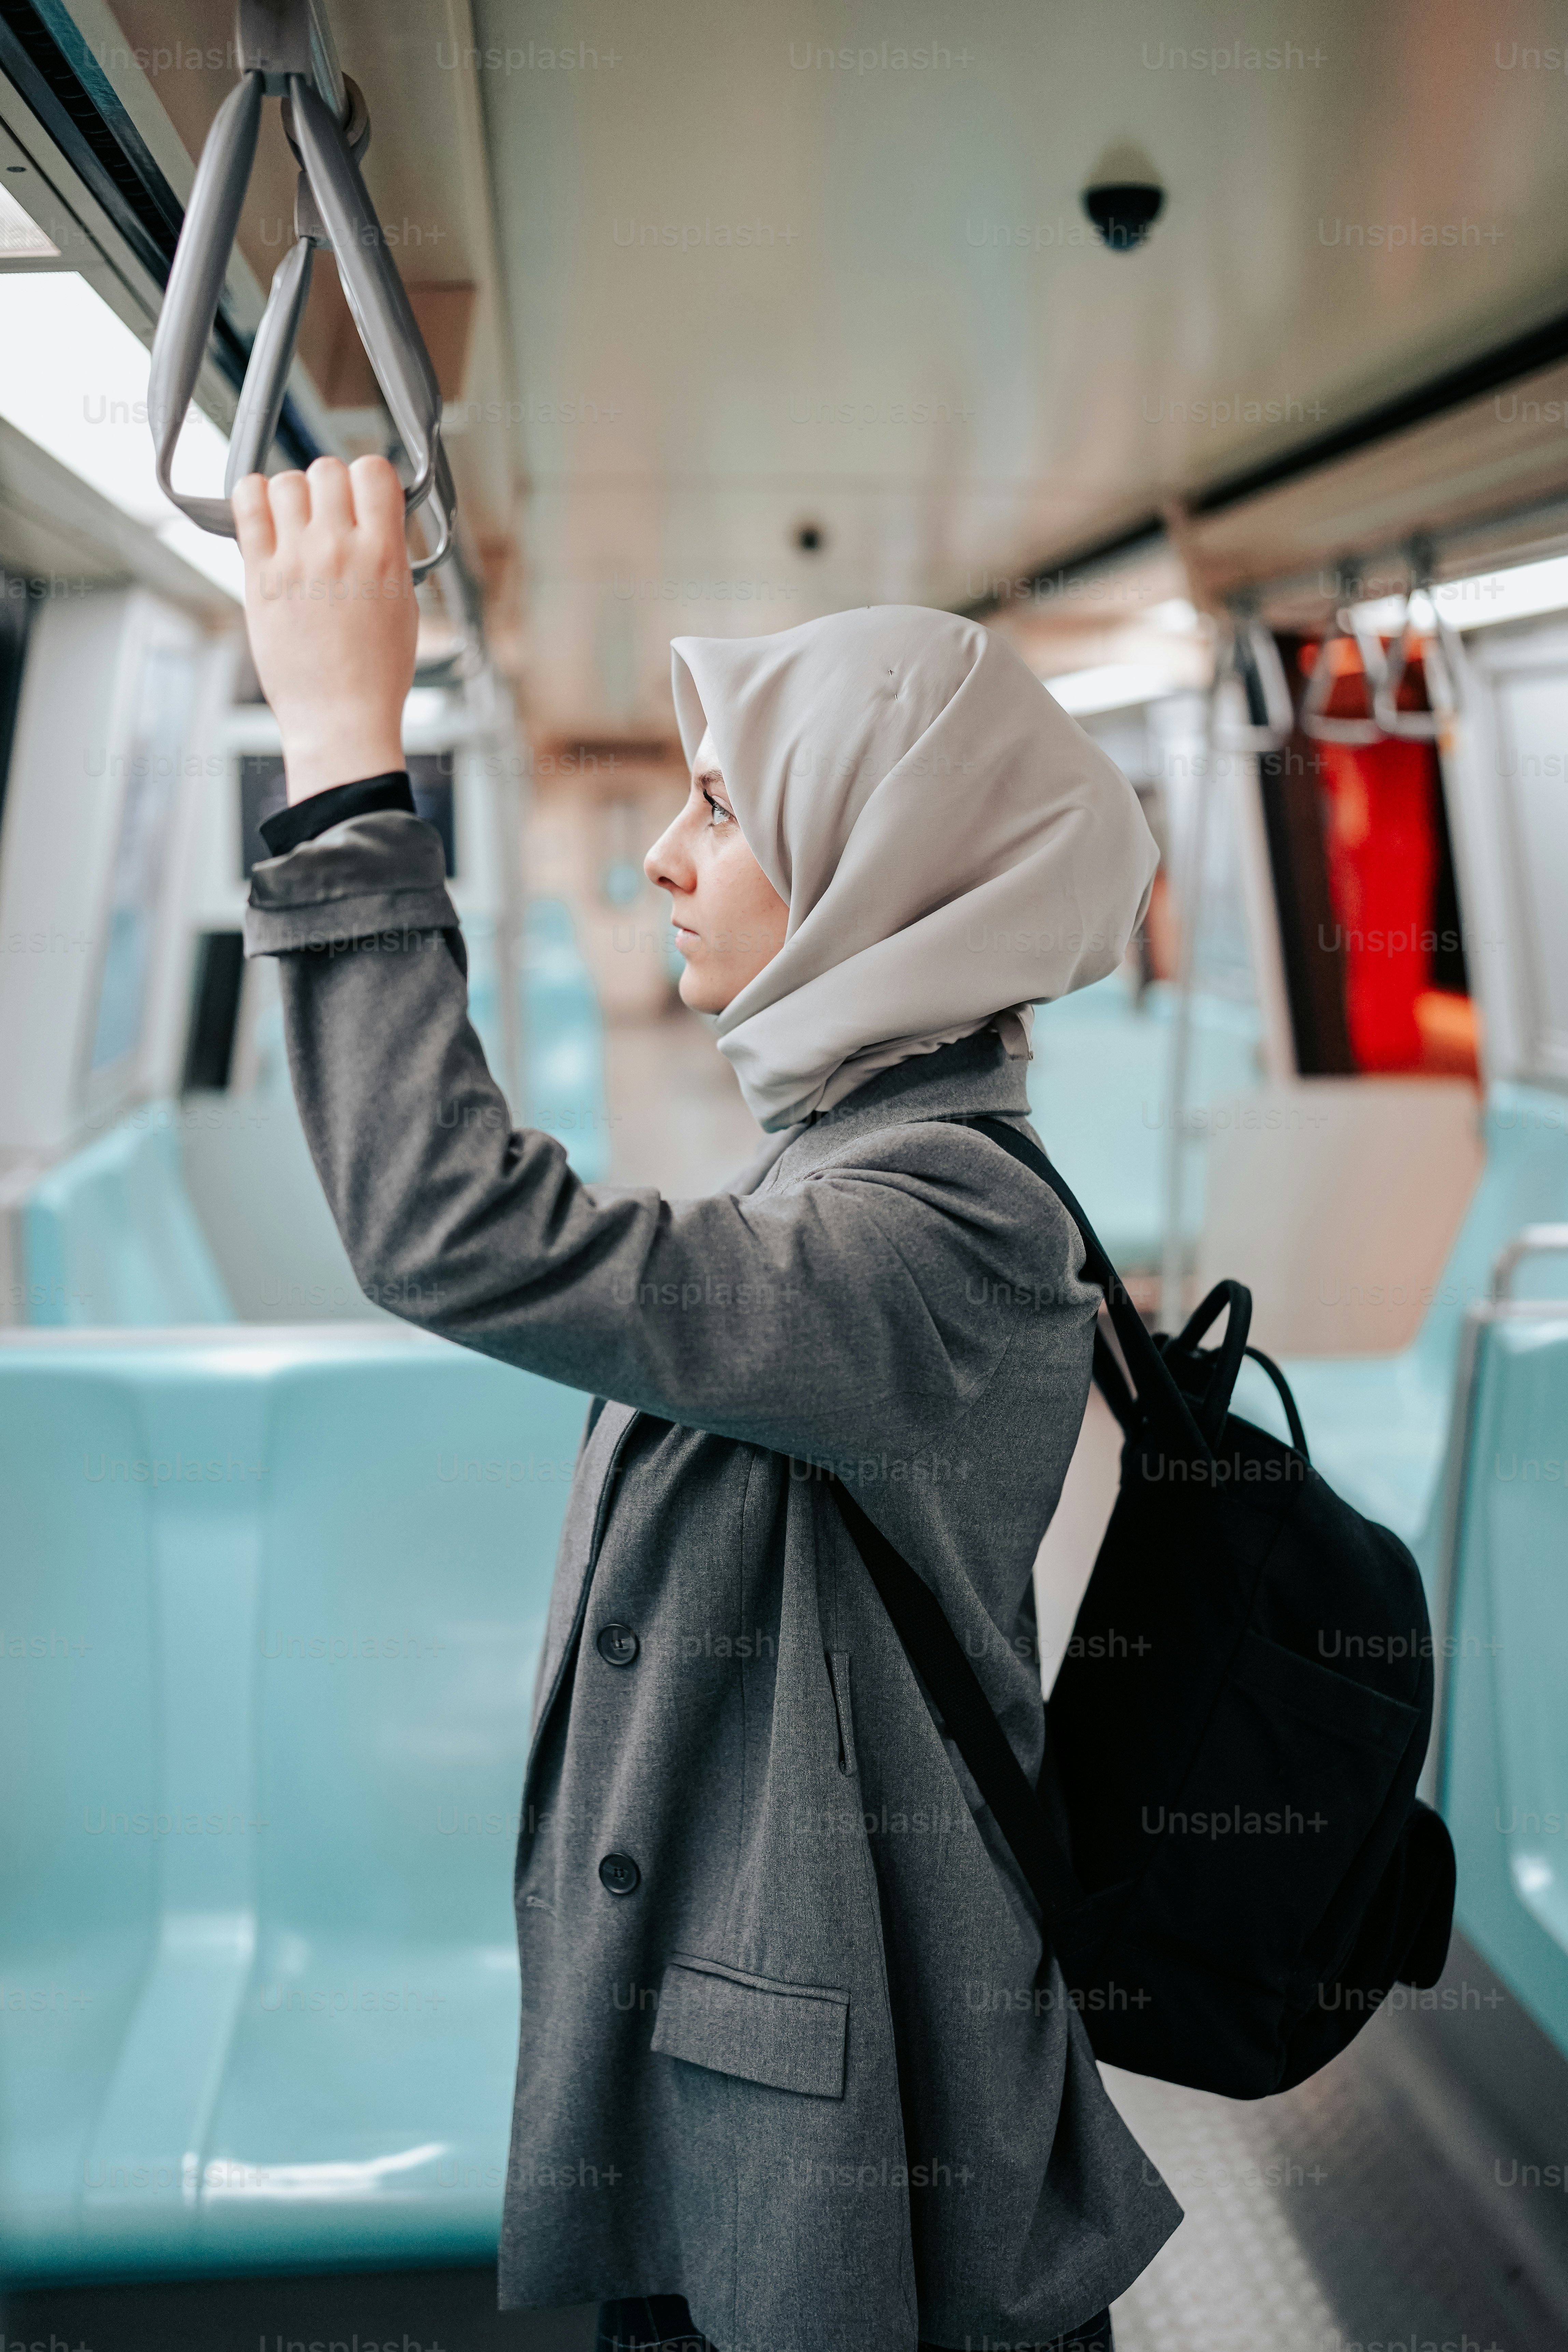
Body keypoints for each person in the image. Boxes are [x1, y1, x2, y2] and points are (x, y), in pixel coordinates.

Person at [233, 455, 1182, 2352]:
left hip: (846, 2134)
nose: (663, 853)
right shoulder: (873, 1162)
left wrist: (345, 756)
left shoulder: (933, 1236)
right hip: (767, 2050)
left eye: (727, 810)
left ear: (876, 875)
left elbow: (451, 1229)